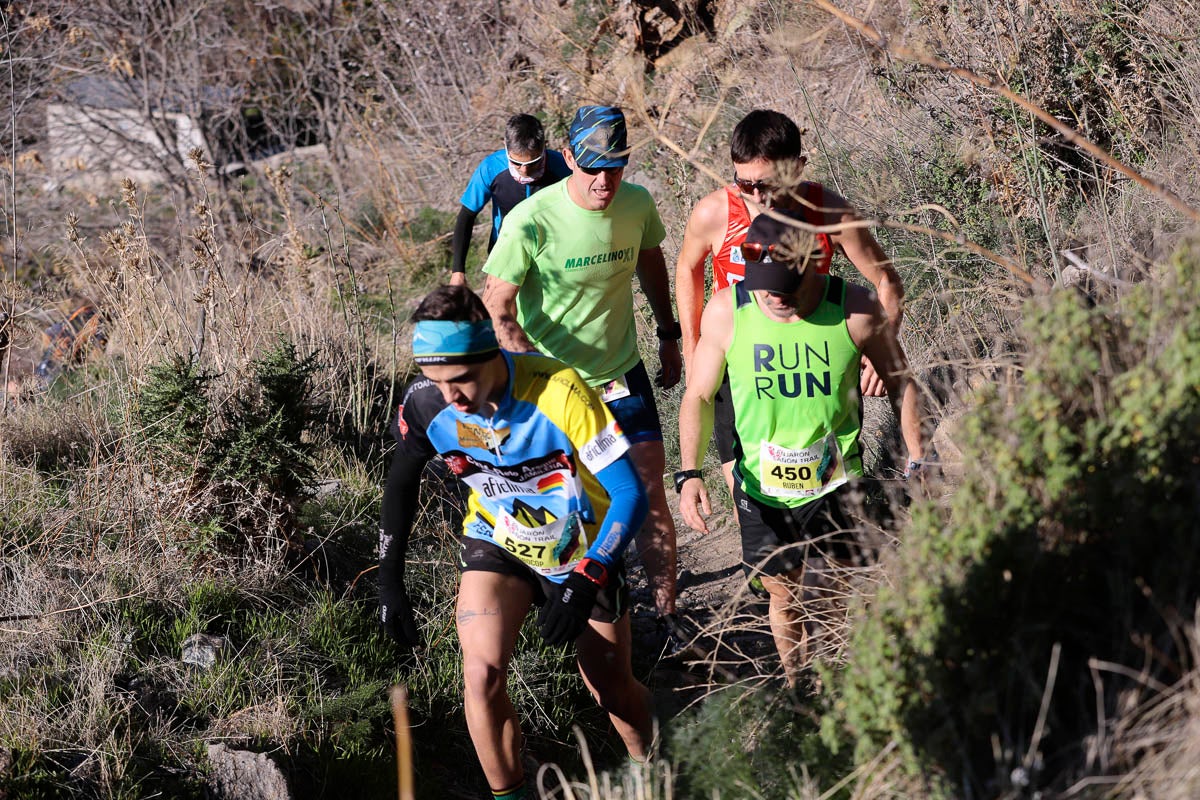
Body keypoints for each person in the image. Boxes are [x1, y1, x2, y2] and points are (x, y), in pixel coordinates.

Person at [379, 285, 654, 800]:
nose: (451, 398)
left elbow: (628, 493)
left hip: (581, 550)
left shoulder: (560, 390)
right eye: (436, 382)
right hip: (497, 540)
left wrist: (589, 572)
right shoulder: (425, 404)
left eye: (460, 380)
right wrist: (388, 581)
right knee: (480, 677)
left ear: (493, 356)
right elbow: (401, 482)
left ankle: (657, 770)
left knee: (610, 689)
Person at [675, 210, 927, 684]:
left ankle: (833, 685)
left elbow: (901, 383)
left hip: (835, 483)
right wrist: (689, 473)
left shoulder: (855, 309)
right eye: (764, 284)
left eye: (785, 286)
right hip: (761, 488)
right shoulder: (728, 310)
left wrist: (918, 457)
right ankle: (797, 686)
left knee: (831, 593)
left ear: (816, 265)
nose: (773, 296)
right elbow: (699, 395)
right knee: (782, 593)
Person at [480, 105, 682, 620]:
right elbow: (496, 304)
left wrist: (667, 333)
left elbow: (650, 261)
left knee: (648, 488)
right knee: (570, 504)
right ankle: (585, 612)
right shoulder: (531, 219)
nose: (603, 180)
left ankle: (666, 617)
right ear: (567, 157)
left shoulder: (636, 205)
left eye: (614, 166)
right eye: (592, 167)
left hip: (619, 372)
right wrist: (530, 371)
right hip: (553, 387)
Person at [675, 109, 905, 495]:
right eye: (744, 184)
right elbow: (687, 268)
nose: (756, 197)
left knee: (829, 488)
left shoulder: (827, 212)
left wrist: (881, 354)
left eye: (766, 185)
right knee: (745, 491)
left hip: (816, 359)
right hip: (740, 362)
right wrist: (691, 343)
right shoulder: (714, 213)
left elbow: (886, 279)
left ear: (797, 168)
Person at [450, 114, 570, 286]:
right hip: (504, 253)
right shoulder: (491, 167)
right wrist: (458, 271)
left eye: (533, 163)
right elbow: (466, 216)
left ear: (544, 146)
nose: (524, 170)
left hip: (552, 254)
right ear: (505, 146)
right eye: (516, 163)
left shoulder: (563, 167)